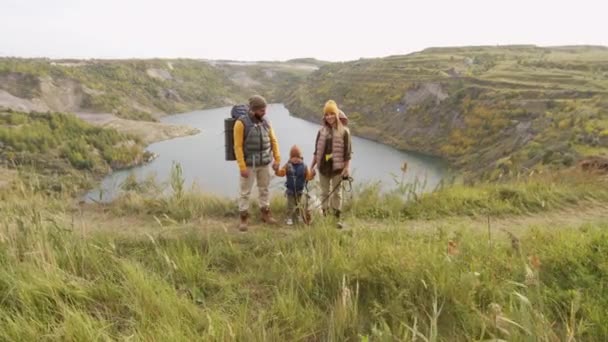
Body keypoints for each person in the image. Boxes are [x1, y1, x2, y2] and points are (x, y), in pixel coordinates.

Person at [233, 95, 281, 231]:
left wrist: (277, 159)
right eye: (261, 110)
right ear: (253, 110)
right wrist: (242, 166)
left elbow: (273, 140)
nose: (264, 112)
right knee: (245, 192)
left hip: (264, 163)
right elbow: (237, 146)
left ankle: (265, 214)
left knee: (264, 189)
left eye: (265, 109)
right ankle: (243, 218)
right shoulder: (240, 123)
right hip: (249, 164)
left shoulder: (266, 121)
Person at [310, 100, 352, 228]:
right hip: (323, 168)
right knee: (324, 193)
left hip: (337, 169)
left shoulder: (344, 132)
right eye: (327, 114)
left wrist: (346, 168)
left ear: (337, 114)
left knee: (337, 193)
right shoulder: (321, 131)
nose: (329, 117)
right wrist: (311, 167)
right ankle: (325, 216)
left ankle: (336, 218)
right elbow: (316, 151)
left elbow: (348, 153)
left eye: (332, 114)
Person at [275, 145, 314, 225]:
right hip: (290, 190)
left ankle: (298, 216)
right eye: (293, 157)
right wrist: (276, 170)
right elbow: (281, 173)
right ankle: (289, 218)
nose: (295, 159)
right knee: (290, 205)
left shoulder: (304, 166)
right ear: (290, 157)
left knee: (299, 204)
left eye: (297, 157)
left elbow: (308, 177)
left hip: (300, 190)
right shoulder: (287, 166)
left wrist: (312, 174)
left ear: (301, 157)